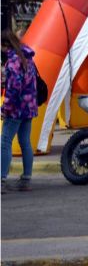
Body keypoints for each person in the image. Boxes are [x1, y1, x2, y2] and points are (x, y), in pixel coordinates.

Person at [1, 29, 39, 193]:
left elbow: (14, 87)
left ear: (5, 45)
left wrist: (5, 108)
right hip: (29, 107)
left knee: (5, 142)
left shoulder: (13, 62)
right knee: (25, 142)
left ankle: (1, 179)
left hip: (15, 109)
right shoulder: (28, 59)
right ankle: (26, 179)